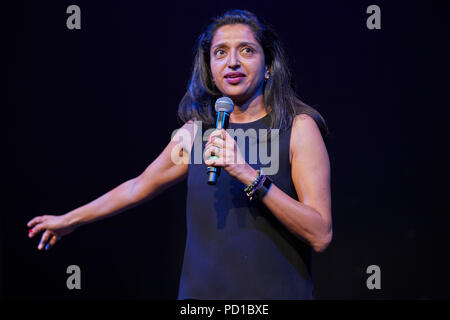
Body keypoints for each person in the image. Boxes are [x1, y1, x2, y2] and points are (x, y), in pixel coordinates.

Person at [27, 9, 332, 300]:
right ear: (211, 71)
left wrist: (249, 175)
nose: (233, 62)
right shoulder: (193, 134)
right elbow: (137, 187)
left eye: (247, 50)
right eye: (221, 52)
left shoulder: (297, 129)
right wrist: (69, 220)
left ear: (268, 67)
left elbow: (320, 234)